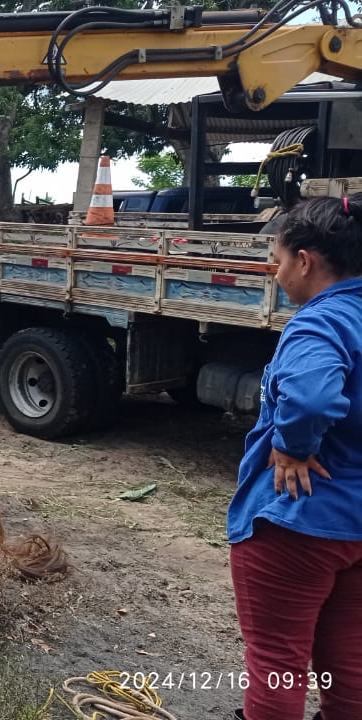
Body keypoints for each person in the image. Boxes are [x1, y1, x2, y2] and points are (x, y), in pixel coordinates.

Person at [227, 194, 362, 720]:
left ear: (305, 261)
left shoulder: (319, 323)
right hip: (356, 527)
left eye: (278, 259)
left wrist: (291, 444)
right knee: (348, 660)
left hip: (298, 520)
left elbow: (310, 396)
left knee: (278, 662)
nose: (275, 271)